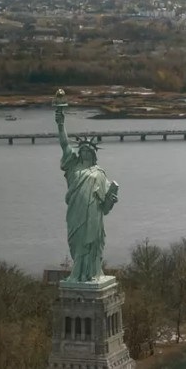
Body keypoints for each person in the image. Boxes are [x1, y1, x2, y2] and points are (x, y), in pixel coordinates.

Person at [55, 108, 118, 282]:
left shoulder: (100, 173)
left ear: (93, 154)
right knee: (77, 242)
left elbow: (105, 207)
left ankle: (90, 273)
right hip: (76, 212)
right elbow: (65, 145)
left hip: (94, 214)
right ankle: (77, 273)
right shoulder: (73, 167)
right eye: (82, 150)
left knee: (92, 243)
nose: (84, 153)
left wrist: (111, 200)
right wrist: (61, 124)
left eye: (87, 151)